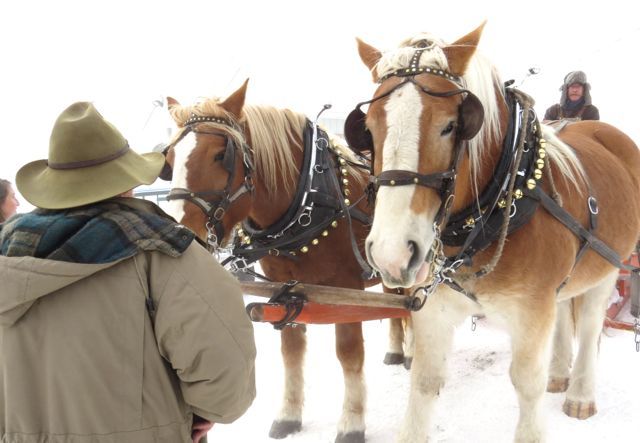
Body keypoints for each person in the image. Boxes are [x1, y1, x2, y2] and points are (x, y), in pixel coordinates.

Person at [0, 102, 256, 443]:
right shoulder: (165, 253)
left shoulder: (7, 252)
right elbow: (225, 376)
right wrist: (208, 411)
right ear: (126, 181)